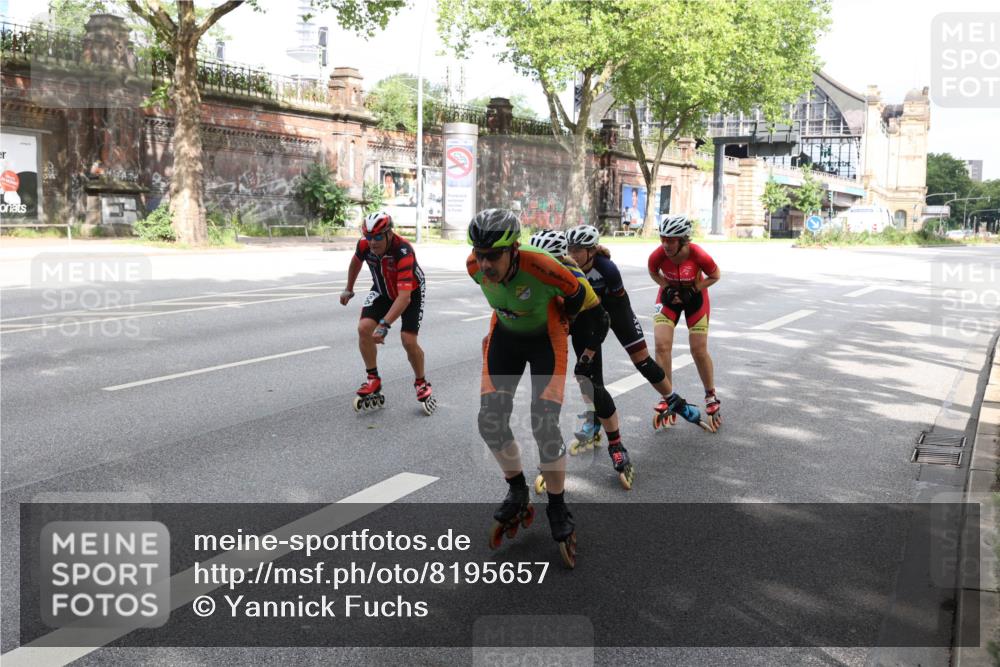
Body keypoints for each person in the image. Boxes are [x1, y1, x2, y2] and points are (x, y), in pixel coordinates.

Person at [468, 208, 583, 568]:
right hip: (506, 336)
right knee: (490, 421)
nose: (485, 264)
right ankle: (518, 490)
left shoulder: (541, 265)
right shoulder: (474, 266)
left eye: (494, 256)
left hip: (547, 337)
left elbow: (578, 295)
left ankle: (558, 506)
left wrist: (581, 335)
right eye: (481, 254)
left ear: (514, 249)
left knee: (543, 424)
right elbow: (496, 294)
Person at [566, 224, 714, 433]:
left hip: (616, 312)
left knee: (643, 362)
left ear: (591, 251)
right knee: (587, 371)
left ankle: (675, 402)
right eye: (569, 249)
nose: (572, 254)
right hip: (588, 316)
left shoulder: (607, 268)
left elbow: (610, 309)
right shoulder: (568, 268)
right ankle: (593, 416)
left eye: (577, 250)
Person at [529, 228, 633, 490]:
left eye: (547, 263)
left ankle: (616, 445)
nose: (540, 268)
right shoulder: (527, 270)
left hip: (585, 322)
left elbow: (602, 319)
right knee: (545, 394)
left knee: (590, 383)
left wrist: (587, 354)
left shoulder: (575, 277)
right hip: (554, 327)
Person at [340, 211, 434, 414]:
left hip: (410, 292)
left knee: (408, 341)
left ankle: (421, 382)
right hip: (382, 289)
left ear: (389, 234)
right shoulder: (365, 245)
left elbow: (404, 298)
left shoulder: (403, 251)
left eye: (378, 237)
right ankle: (373, 379)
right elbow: (355, 263)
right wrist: (349, 288)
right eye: (369, 237)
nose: (373, 242)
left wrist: (384, 325)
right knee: (364, 328)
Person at [647, 214, 722, 430]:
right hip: (668, 298)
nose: (666, 244)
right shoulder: (658, 255)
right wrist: (667, 287)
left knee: (698, 349)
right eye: (663, 238)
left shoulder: (698, 254)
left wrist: (695, 289)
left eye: (671, 240)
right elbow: (653, 272)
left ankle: (710, 396)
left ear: (682, 240)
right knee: (661, 346)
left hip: (695, 300)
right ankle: (666, 395)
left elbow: (716, 275)